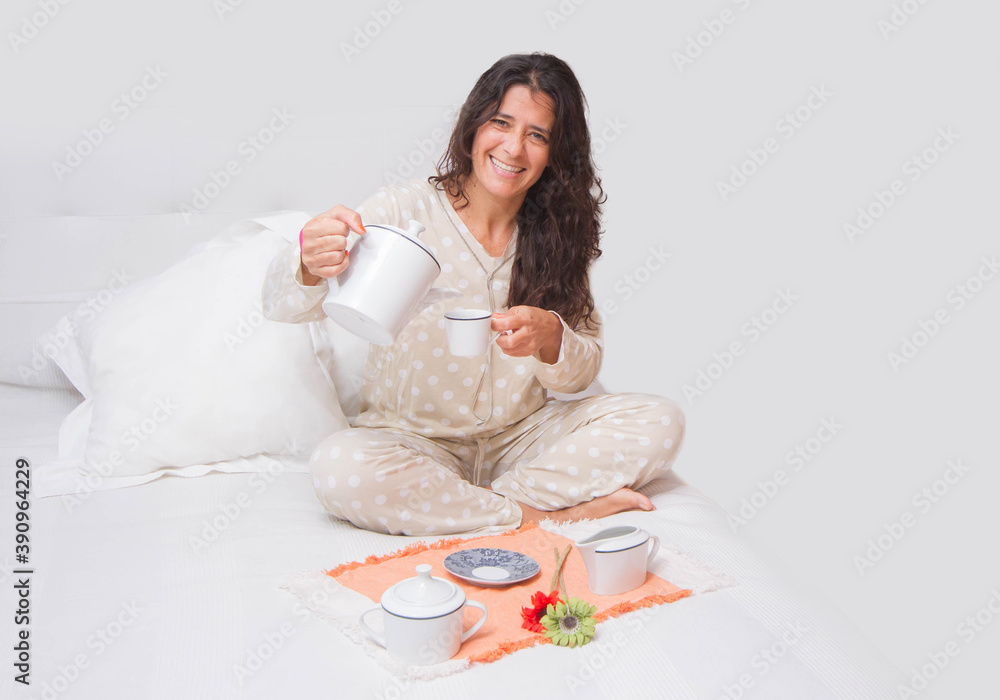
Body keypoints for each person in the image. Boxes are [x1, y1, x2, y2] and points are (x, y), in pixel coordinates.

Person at [262, 53, 685, 535]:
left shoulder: (558, 236)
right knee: (340, 467)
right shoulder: (402, 209)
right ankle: (542, 517)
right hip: (414, 443)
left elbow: (581, 371)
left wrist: (552, 338)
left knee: (661, 420)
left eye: (537, 135)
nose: (513, 148)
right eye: (501, 123)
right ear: (475, 123)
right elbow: (281, 305)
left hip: (521, 441)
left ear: (555, 154)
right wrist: (309, 262)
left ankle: (477, 508)